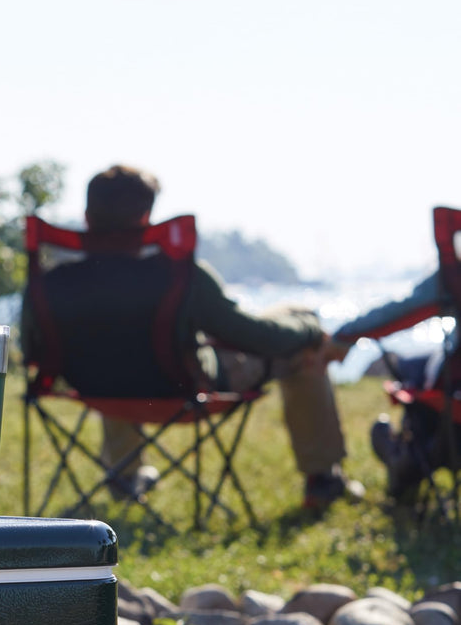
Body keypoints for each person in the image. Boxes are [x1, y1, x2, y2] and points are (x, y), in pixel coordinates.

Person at [28, 164, 363, 510]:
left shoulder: (52, 283)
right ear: (146, 218)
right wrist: (309, 328)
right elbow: (256, 336)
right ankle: (323, 478)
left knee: (112, 356)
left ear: (87, 217)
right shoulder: (178, 276)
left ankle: (124, 475)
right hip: (182, 388)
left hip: (95, 389)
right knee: (298, 331)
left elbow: (32, 348)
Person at [331, 271, 453, 498]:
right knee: (419, 367)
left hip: (453, 427)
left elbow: (406, 309)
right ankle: (407, 457)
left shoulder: (454, 273)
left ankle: (406, 461)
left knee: (422, 379)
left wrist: (345, 335)